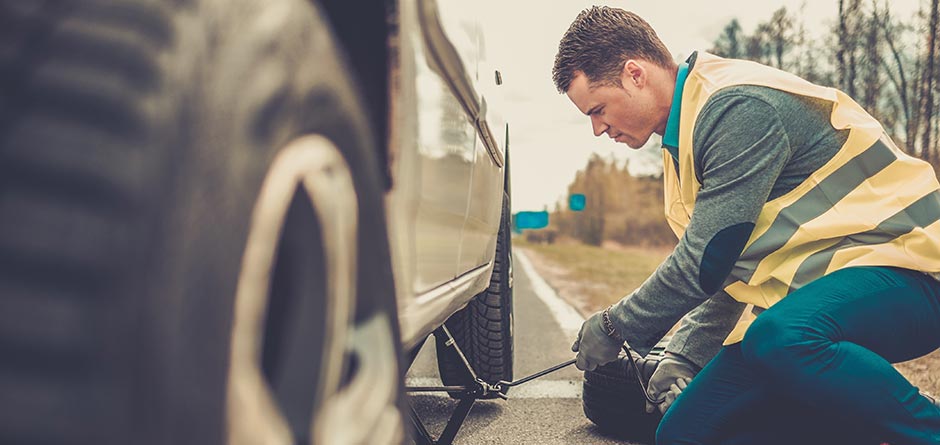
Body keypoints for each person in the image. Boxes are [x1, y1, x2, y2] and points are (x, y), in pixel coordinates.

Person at [554, 6, 940, 445]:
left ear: (634, 74)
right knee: (684, 433)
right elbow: (734, 266)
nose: (597, 128)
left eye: (598, 109)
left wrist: (615, 326)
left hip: (910, 273)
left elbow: (706, 258)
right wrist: (684, 355)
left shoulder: (735, 107)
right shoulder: (682, 143)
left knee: (779, 339)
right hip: (814, 300)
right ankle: (870, 427)